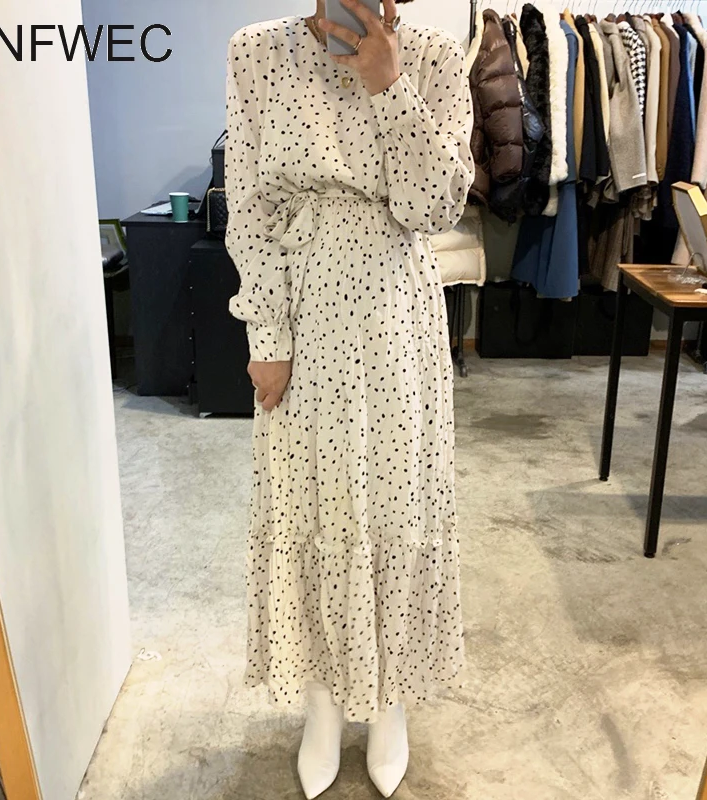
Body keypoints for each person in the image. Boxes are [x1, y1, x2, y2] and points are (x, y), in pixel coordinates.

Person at [225, 0, 474, 796]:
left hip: (398, 312)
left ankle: (389, 692)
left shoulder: (433, 55)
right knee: (312, 502)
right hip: (305, 308)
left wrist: (390, 85)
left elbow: (436, 207)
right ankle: (324, 700)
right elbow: (249, 206)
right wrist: (266, 333)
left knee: (396, 503)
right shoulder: (256, 53)